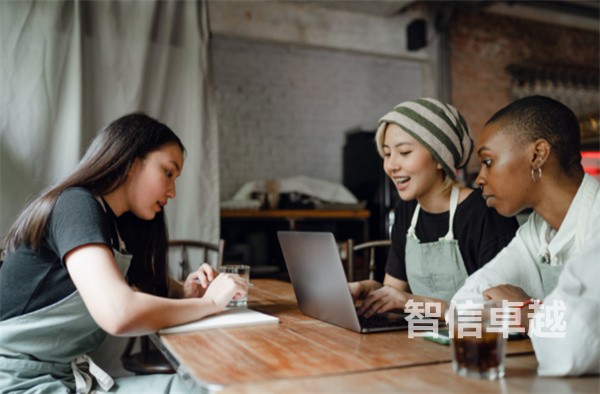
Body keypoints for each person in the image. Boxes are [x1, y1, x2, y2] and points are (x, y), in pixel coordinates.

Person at [0, 113, 248, 393]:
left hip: (61, 380)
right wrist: (210, 304)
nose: (173, 191)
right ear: (131, 162)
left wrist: (187, 292)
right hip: (17, 384)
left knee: (205, 386)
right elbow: (118, 313)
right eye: (168, 172)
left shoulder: (117, 226)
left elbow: (148, 288)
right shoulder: (75, 205)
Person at [452, 95, 599, 376]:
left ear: (537, 154)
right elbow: (463, 307)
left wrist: (526, 311)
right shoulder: (537, 231)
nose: (480, 178)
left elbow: (573, 347)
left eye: (488, 161)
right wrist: (546, 318)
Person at [350, 98, 519, 318]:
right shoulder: (407, 212)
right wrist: (368, 290)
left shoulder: (485, 214)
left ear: (440, 158)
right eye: (387, 153)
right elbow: (395, 294)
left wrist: (412, 303)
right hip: (424, 340)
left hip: (476, 344)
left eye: (404, 152)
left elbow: (501, 313)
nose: (391, 165)